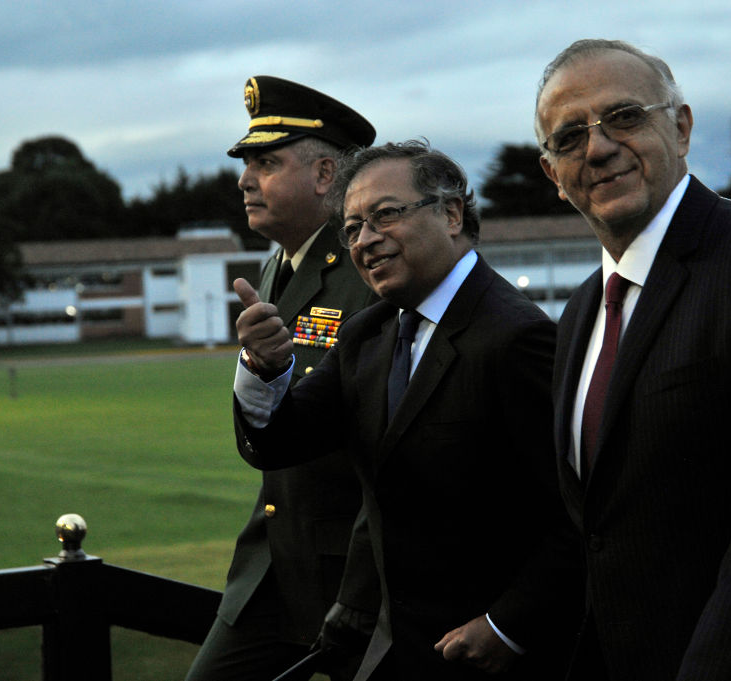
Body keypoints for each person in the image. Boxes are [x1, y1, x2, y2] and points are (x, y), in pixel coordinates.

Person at [534, 39, 731, 680]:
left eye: (624, 116)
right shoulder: (582, 312)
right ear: (552, 175)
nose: (598, 148)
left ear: (682, 126)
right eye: (569, 138)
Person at [232, 140, 581, 680]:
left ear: (451, 214)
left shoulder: (518, 338)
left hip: (499, 658)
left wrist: (508, 624)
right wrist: (264, 366)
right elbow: (278, 443)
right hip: (399, 651)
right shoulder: (368, 335)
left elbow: (579, 511)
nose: (366, 240)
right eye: (352, 229)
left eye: (385, 215)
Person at [185, 76, 379, 681]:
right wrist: (257, 366)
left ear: (326, 175)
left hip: (350, 573)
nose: (245, 179)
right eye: (246, 164)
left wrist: (362, 586)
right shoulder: (277, 264)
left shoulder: (368, 268)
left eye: (265, 163)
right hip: (270, 562)